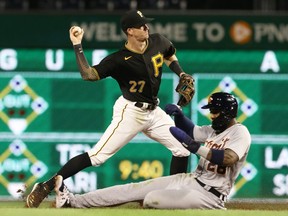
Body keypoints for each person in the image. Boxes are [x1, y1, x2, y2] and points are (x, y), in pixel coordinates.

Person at [26, 9, 193, 208]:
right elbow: (89, 75)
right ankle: (45, 186)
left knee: (183, 149)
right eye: (141, 25)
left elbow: (170, 56)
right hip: (131, 112)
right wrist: (77, 45)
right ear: (130, 31)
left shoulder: (158, 41)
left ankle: (170, 197)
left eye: (146, 24)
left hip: (154, 112)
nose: (146, 27)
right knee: (98, 156)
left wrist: (181, 73)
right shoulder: (118, 60)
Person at [53, 92, 251, 209]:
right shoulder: (214, 129)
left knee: (151, 199)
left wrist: (196, 148)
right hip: (192, 180)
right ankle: (75, 202)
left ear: (226, 113)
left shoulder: (240, 133)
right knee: (134, 188)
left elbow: (228, 158)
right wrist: (179, 116)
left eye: (214, 112)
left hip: (210, 196)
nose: (211, 116)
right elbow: (193, 131)